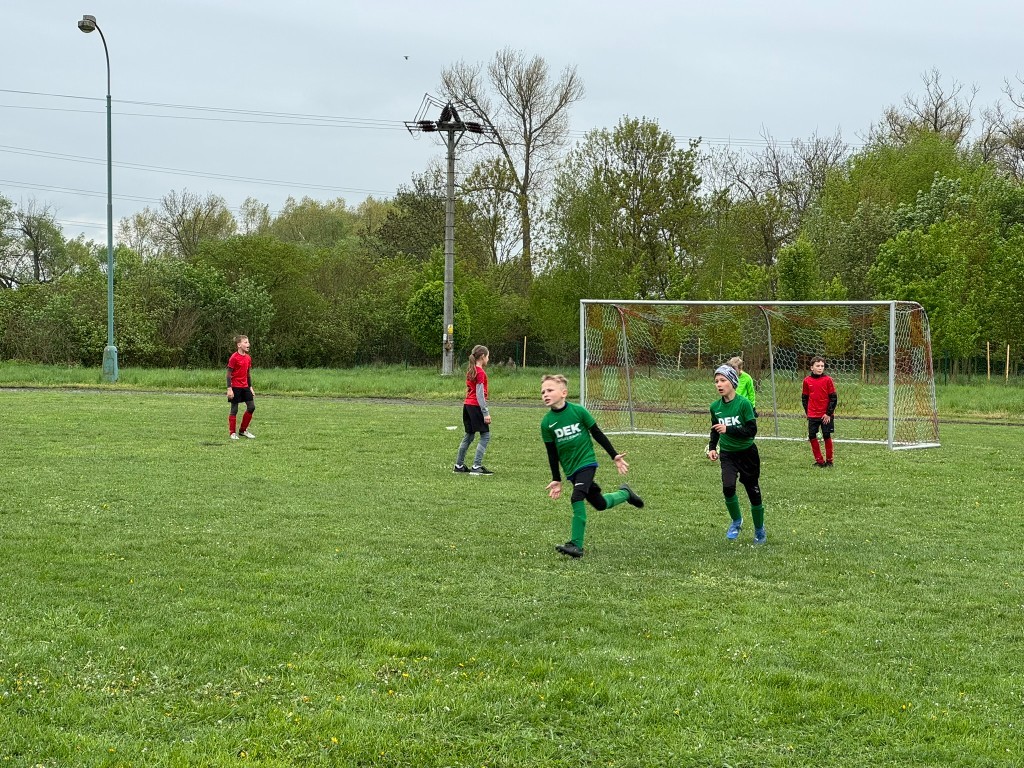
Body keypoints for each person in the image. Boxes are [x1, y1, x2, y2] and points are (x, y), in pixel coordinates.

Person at [540, 374, 644, 558]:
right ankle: (625, 493)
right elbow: (552, 453)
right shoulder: (546, 423)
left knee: (576, 497)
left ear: (564, 393)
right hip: (571, 470)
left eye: (550, 390)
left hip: (586, 463)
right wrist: (556, 478)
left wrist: (614, 455)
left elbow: (597, 433)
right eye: (543, 392)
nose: (545, 394)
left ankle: (576, 545)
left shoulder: (578, 411)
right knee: (600, 504)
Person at [707, 364, 766, 544]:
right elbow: (715, 429)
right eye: (716, 381)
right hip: (728, 454)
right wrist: (712, 447)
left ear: (732, 382)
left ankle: (759, 530)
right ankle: (736, 521)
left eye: (723, 380)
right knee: (728, 487)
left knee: (753, 491)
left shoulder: (744, 404)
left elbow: (751, 430)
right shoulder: (715, 407)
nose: (719, 384)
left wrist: (729, 429)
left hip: (747, 453)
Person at [454, 345, 493, 475]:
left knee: (469, 435)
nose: (488, 359)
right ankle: (476, 466)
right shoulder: (480, 372)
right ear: (482, 357)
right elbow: (479, 394)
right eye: (488, 356)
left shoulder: (471, 371)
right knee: (485, 435)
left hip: (467, 405)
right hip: (476, 406)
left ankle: (459, 465)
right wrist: (485, 413)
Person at [802, 355, 838, 467]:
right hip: (813, 415)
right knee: (812, 436)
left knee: (826, 435)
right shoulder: (807, 381)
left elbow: (833, 398)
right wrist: (808, 413)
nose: (820, 368)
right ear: (811, 367)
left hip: (825, 415)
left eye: (822, 366)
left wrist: (828, 414)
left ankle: (829, 461)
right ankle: (819, 461)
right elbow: (804, 398)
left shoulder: (828, 380)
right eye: (817, 366)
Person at [227, 334, 256, 441]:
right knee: (234, 409)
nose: (248, 344)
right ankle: (232, 433)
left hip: (245, 387)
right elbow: (228, 374)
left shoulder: (248, 358)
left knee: (251, 407)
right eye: (245, 342)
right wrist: (229, 388)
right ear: (239, 345)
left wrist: (250, 387)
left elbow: (248, 374)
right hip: (235, 386)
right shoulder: (234, 357)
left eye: (248, 342)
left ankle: (243, 430)